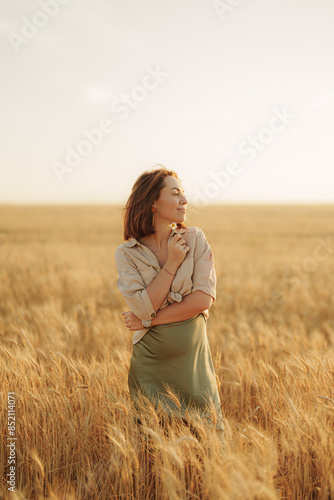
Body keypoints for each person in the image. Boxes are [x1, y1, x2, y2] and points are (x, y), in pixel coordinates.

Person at [114, 166, 225, 446]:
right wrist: (173, 264)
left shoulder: (195, 238)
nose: (184, 200)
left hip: (194, 367)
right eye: (175, 194)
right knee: (153, 450)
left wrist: (149, 320)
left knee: (211, 442)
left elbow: (202, 299)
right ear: (153, 202)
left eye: (183, 194)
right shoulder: (127, 254)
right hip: (150, 368)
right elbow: (141, 307)